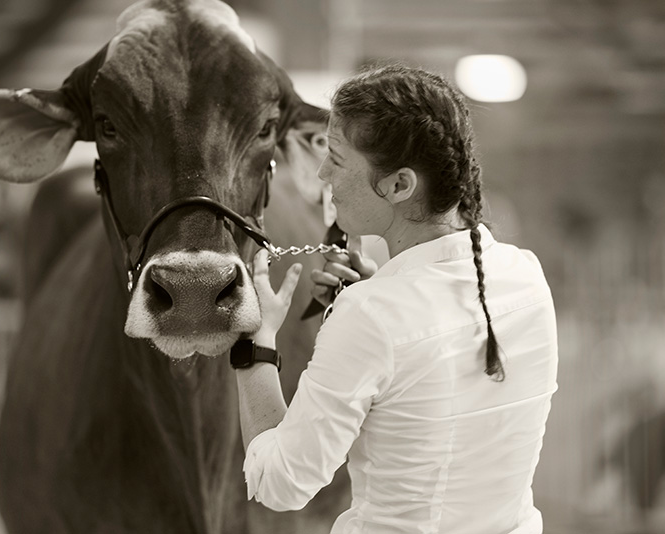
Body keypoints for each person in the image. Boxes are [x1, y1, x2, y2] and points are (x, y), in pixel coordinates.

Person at [233, 63, 558, 534]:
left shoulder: (369, 315)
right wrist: (381, 284)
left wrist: (255, 345)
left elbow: (282, 483)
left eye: (337, 160)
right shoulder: (526, 276)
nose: (322, 173)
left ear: (399, 185)